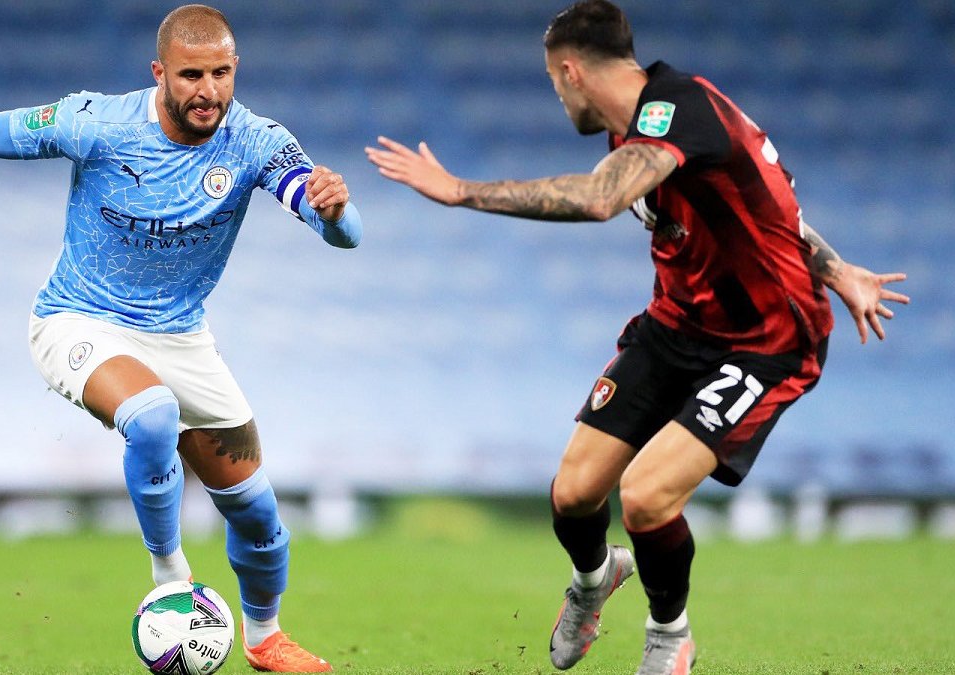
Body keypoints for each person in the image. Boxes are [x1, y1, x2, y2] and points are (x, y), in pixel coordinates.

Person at [366, 1, 907, 673]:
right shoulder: (641, 129)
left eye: (553, 83)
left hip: (764, 341)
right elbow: (768, 201)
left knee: (647, 497)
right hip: (677, 324)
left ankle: (669, 633)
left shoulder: (678, 110)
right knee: (573, 494)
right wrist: (839, 268)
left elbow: (601, 199)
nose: (559, 97)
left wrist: (459, 191)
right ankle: (595, 579)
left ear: (571, 71)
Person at [0, 5, 357, 672]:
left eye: (221, 74)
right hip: (77, 319)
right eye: (191, 75)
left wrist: (334, 210)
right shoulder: (98, 123)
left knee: (257, 515)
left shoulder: (255, 141)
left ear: (235, 70)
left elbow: (343, 232)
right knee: (152, 414)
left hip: (182, 337)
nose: (208, 91)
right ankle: (170, 579)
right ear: (159, 72)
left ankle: (265, 637)